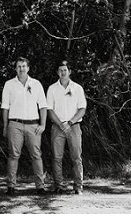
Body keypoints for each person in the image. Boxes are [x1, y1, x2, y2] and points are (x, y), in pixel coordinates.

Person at [1, 57, 47, 196]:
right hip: (14, 124)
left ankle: (40, 187)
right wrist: (5, 126)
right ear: (16, 68)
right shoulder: (9, 84)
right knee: (13, 155)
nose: (21, 69)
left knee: (36, 156)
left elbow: (43, 106)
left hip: (33, 124)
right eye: (19, 66)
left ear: (28, 68)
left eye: (24, 66)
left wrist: (43, 124)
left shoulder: (36, 84)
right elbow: (5, 107)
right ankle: (11, 186)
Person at [46, 59, 87, 195]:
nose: (63, 72)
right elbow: (50, 110)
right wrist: (60, 124)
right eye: (60, 70)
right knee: (57, 158)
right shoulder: (52, 88)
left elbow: (82, 109)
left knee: (76, 157)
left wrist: (69, 123)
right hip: (57, 127)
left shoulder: (77, 88)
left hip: (73, 126)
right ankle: (59, 185)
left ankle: (78, 186)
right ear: (57, 72)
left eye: (65, 70)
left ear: (69, 72)